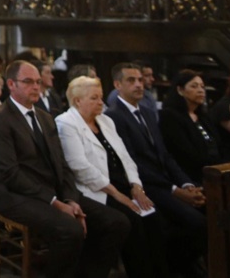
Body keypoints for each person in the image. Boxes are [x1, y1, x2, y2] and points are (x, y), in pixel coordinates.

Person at [0, 60, 128, 278]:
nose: (36, 87)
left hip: (53, 192)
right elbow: (9, 173)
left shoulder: (45, 117)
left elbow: (62, 164)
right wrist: (55, 202)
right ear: (11, 84)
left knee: (117, 222)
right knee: (70, 230)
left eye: (38, 82)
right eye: (28, 82)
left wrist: (71, 199)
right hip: (17, 196)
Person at [57, 76, 170, 278]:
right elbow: (79, 167)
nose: (101, 102)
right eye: (94, 98)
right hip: (95, 190)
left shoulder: (106, 120)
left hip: (121, 184)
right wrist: (117, 194)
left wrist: (136, 186)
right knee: (132, 221)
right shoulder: (66, 122)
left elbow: (126, 157)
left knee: (154, 219)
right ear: (77, 101)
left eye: (101, 97)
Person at [105, 62, 207, 276]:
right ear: (117, 85)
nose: (138, 85)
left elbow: (164, 155)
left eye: (140, 80)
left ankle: (183, 266)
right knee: (194, 222)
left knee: (206, 208)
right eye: (131, 80)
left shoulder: (148, 112)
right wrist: (174, 190)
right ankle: (178, 268)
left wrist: (186, 183)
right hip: (144, 185)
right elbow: (132, 163)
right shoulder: (114, 117)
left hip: (163, 180)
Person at [158, 69, 224, 183]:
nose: (201, 90)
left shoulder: (203, 117)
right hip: (191, 176)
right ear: (180, 90)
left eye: (202, 86)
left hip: (214, 171)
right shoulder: (169, 116)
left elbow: (218, 146)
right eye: (194, 86)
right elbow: (185, 154)